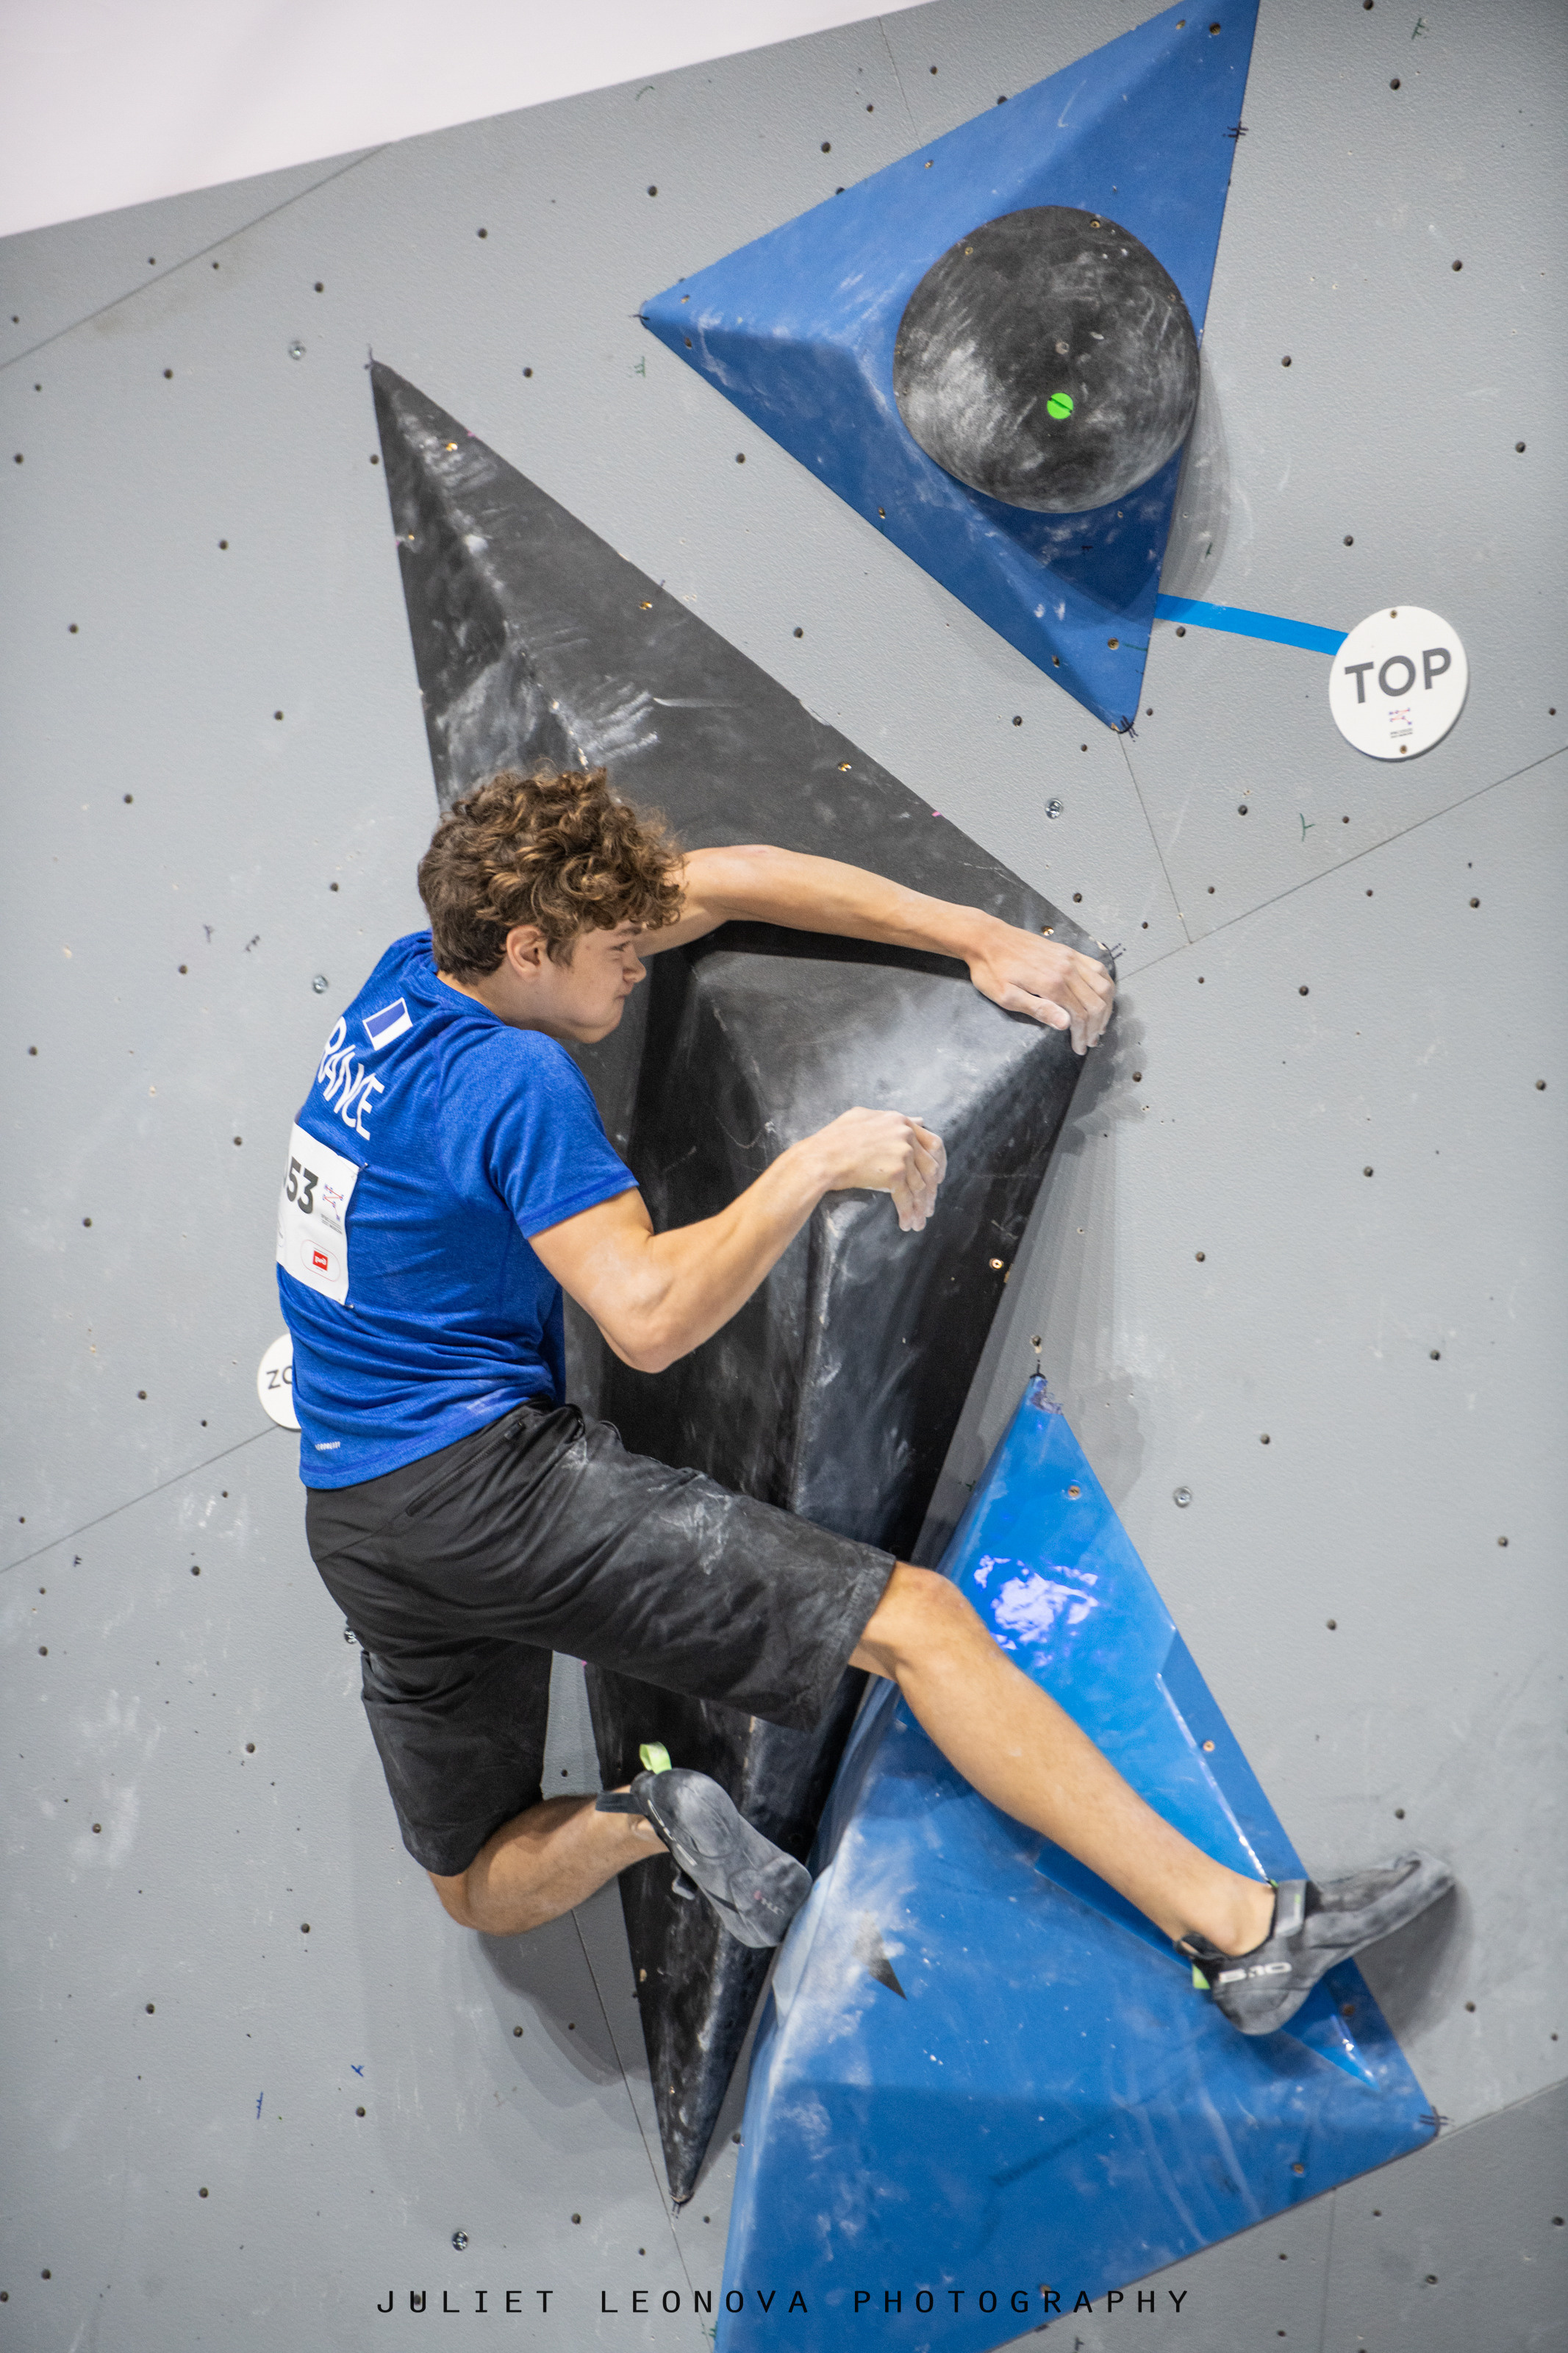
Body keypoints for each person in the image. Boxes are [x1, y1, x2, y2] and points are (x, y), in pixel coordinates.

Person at [280, 767, 1450, 2038]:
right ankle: (1245, 1937)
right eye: (616, 950)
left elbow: (727, 880)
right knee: (920, 1625)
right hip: (485, 1487)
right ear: (526, 949)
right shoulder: (513, 1077)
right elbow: (649, 1319)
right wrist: (814, 1165)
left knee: (472, 1880)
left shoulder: (407, 982)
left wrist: (976, 936)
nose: (638, 964)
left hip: (357, 1523)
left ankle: (644, 1817)